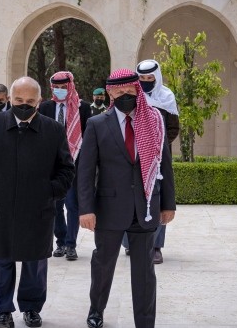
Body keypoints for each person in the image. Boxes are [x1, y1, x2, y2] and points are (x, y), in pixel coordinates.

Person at [0, 76, 75, 328]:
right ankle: (3, 311)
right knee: (2, 261)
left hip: (37, 210)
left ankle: (31, 308)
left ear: (39, 101)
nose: (23, 105)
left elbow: (67, 170)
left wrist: (49, 191)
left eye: (29, 101)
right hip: (0, 208)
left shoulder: (53, 129)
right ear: (9, 99)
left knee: (35, 262)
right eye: (18, 100)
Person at [78, 68, 176, 328]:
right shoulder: (97, 124)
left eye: (129, 90)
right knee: (103, 263)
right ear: (110, 92)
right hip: (109, 208)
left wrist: (168, 203)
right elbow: (86, 171)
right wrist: (86, 209)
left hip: (145, 207)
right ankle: (96, 310)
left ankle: (145, 321)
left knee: (144, 271)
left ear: (137, 90)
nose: (125, 95)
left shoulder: (154, 121)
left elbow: (165, 164)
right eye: (119, 91)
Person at [122, 59, 180, 264]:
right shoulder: (133, 97)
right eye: (142, 78)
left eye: (149, 78)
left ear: (157, 77)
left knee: (157, 199)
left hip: (158, 158)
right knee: (131, 197)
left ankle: (156, 247)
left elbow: (173, 128)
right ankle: (130, 244)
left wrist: (155, 144)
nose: (146, 82)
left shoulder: (167, 97)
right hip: (133, 156)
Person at [38, 71, 90, 260]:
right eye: (56, 88)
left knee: (72, 204)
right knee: (56, 205)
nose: (60, 91)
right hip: (51, 165)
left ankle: (71, 245)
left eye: (63, 87)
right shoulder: (45, 107)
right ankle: (60, 242)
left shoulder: (82, 107)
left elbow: (87, 136)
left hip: (73, 162)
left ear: (70, 86)